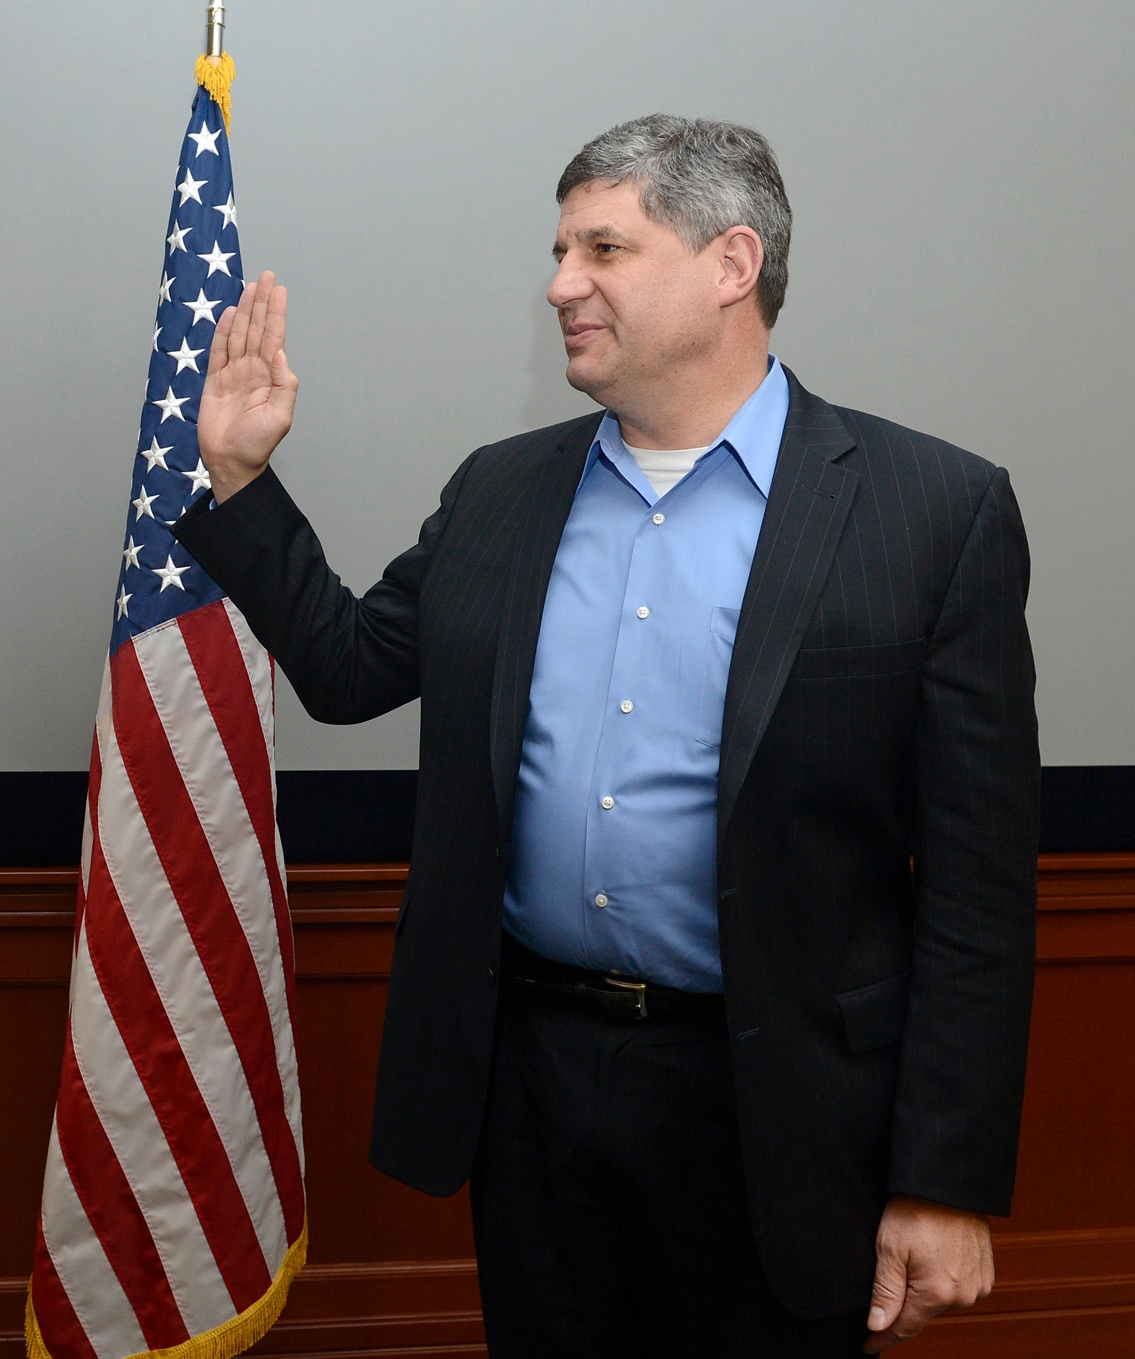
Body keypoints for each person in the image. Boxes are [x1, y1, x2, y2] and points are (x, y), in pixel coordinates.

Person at [176, 115, 1037, 1356]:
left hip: (777, 1108)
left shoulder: (930, 510)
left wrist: (942, 1178)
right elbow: (352, 669)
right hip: (527, 1087)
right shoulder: (501, 490)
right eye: (558, 248)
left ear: (729, 264)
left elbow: (976, 889)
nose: (558, 283)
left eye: (602, 248)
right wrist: (242, 482)